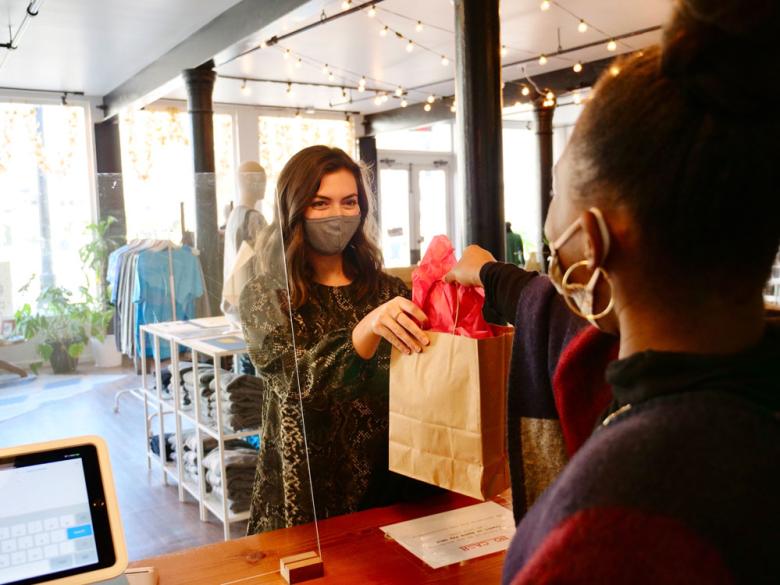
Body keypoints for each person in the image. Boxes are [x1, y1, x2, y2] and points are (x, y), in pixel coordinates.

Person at [447, 1, 780, 582]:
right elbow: (540, 296)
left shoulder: (614, 531)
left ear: (594, 240)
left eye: (554, 192)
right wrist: (489, 275)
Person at [239, 146, 432, 535]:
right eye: (320, 203)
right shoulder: (267, 296)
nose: (338, 215)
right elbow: (294, 382)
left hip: (392, 484)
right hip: (309, 492)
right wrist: (362, 333)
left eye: (349, 202)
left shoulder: (387, 290)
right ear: (294, 208)